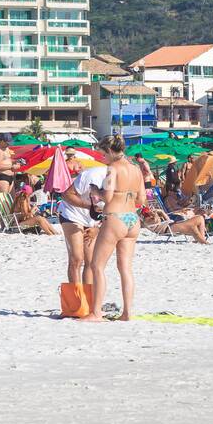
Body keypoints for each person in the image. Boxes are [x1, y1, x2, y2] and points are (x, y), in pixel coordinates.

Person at [83, 136, 142, 322]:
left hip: (115, 218)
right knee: (125, 268)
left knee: (96, 266)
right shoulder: (136, 169)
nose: (102, 159)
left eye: (103, 154)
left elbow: (107, 198)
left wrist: (95, 191)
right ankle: (127, 313)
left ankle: (96, 313)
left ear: (109, 151)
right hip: (132, 219)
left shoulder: (112, 169)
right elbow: (141, 200)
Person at [59, 162, 108, 284]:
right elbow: (66, 195)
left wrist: (98, 228)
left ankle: (87, 299)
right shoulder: (92, 175)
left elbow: (114, 212)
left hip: (92, 219)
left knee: (91, 261)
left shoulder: (123, 180)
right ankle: (76, 299)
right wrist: (90, 207)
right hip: (72, 213)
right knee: (77, 258)